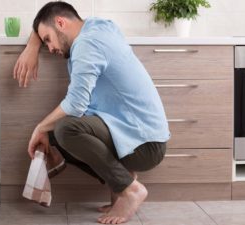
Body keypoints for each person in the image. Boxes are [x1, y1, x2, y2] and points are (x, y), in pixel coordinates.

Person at [13, 1, 170, 224]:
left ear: (60, 23)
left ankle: (130, 189)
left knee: (65, 129)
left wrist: (39, 127)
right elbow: (52, 17)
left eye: (47, 39)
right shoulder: (98, 26)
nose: (49, 48)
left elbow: (76, 105)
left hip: (144, 145)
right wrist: (33, 43)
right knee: (54, 135)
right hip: (138, 134)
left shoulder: (87, 45)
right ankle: (123, 182)